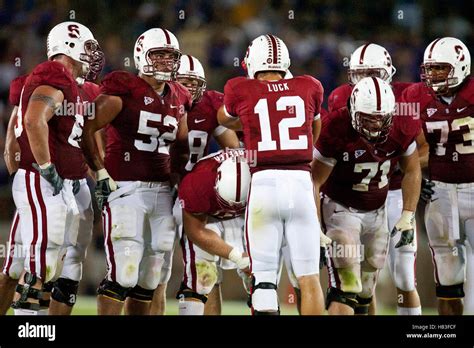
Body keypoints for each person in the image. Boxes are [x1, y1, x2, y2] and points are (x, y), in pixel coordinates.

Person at [80, 28, 192, 315]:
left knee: (152, 275)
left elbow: (181, 143)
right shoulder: (124, 87)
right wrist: (100, 171)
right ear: (142, 55)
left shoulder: (179, 95)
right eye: (159, 55)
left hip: (163, 189)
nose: (166, 62)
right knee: (124, 271)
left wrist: (179, 177)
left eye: (171, 56)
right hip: (126, 187)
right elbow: (87, 127)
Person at [218, 34, 325, 315]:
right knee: (309, 278)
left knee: (264, 278)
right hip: (302, 184)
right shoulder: (309, 86)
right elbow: (314, 131)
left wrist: (250, 118)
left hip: (265, 184)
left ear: (252, 62)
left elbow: (223, 118)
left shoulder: (240, 88)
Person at [9, 21, 103, 315]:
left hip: (62, 181)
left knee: (55, 260)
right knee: (42, 261)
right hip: (44, 180)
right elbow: (33, 120)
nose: (92, 56)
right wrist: (46, 167)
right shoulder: (55, 74)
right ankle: (29, 329)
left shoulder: (75, 85)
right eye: (87, 48)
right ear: (70, 46)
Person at [313, 76, 421, 315]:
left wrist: (408, 215)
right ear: (353, 110)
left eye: (381, 119)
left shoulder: (402, 125)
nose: (374, 126)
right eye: (368, 119)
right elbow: (315, 180)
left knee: (366, 288)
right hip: (340, 209)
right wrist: (314, 224)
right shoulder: (336, 127)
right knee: (347, 282)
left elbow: (412, 169)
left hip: (378, 212)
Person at [403, 37, 473, 315]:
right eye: (429, 69)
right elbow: (404, 148)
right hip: (439, 190)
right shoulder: (413, 96)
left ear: (460, 66)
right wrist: (413, 181)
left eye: (440, 69)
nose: (432, 75)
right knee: (447, 276)